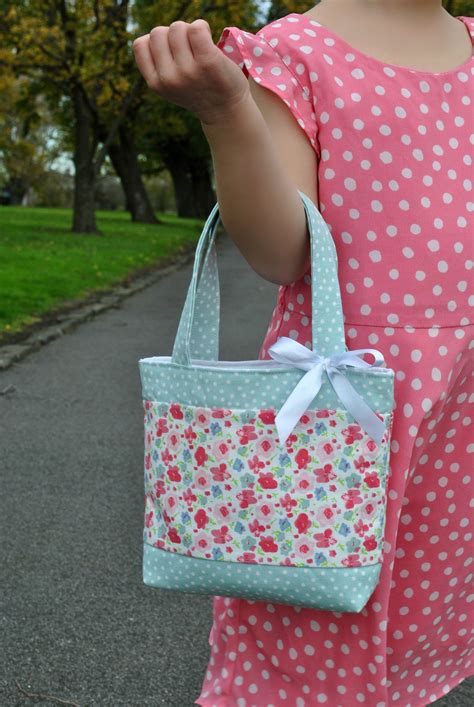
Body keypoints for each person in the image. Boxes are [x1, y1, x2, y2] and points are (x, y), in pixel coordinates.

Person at [133, 1, 473, 704]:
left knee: (428, 634)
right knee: (309, 655)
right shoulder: (297, 51)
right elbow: (283, 249)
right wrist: (228, 117)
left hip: (458, 420)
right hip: (340, 422)